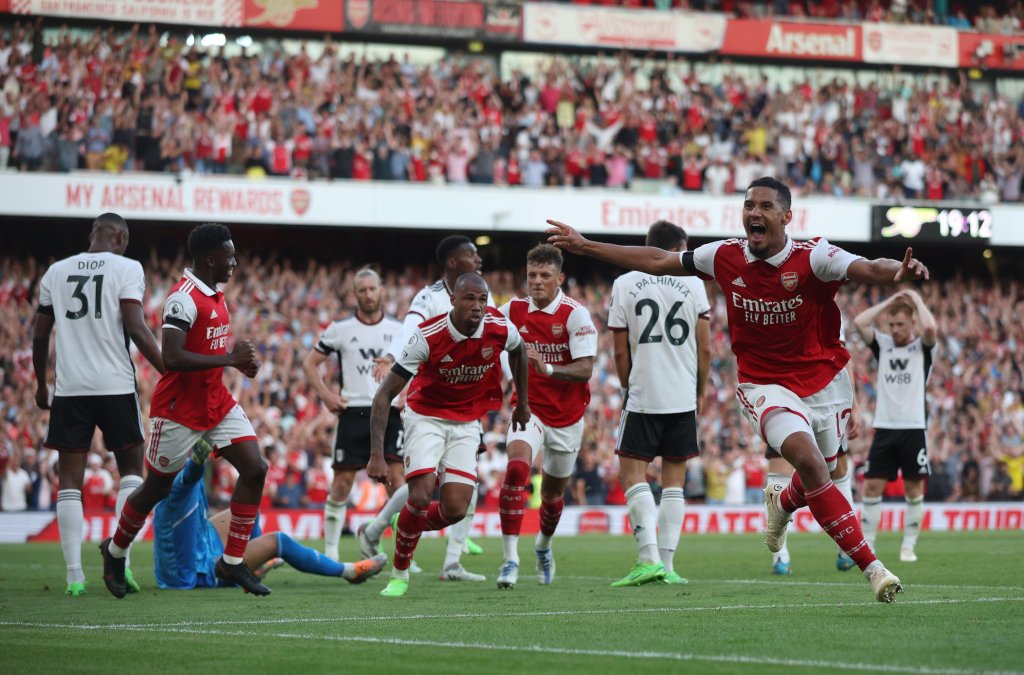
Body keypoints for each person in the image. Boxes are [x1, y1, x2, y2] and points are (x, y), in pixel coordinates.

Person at [547, 176, 929, 603]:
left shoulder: (814, 257)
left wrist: (896, 271)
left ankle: (783, 504)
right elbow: (657, 258)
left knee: (821, 472)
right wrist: (586, 246)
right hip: (765, 384)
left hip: (825, 384)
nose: (754, 213)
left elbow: (868, 267)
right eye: (749, 205)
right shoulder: (724, 256)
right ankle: (874, 569)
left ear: (787, 216)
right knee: (811, 464)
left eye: (765, 206)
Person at [99, 223, 269, 599]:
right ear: (210, 259)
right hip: (178, 410)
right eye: (229, 256)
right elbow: (172, 357)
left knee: (256, 467)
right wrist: (230, 359)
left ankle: (232, 562)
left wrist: (240, 364)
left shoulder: (216, 295)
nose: (235, 262)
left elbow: (209, 351)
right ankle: (115, 550)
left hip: (216, 402)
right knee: (155, 489)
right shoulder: (183, 298)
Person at [369, 273, 530, 597]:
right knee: (420, 495)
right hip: (425, 416)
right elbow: (384, 395)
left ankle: (407, 522)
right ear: (453, 300)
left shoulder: (499, 327)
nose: (477, 306)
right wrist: (376, 455)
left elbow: (520, 350)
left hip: (466, 421)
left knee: (455, 509)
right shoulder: (428, 335)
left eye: (482, 299)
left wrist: (522, 402)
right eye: (469, 298)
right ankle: (399, 575)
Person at [31, 213, 164, 597]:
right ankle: (122, 565)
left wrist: (41, 384)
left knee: (69, 481)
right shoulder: (128, 267)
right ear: (120, 237)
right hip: (115, 384)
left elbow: (40, 334)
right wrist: (168, 372)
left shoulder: (56, 271)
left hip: (70, 387)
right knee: (131, 473)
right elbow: (136, 326)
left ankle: (74, 576)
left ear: (93, 234)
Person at [361, 235, 491, 581]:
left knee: (464, 482)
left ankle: (451, 562)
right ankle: (381, 526)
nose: (478, 260)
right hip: (427, 402)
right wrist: (392, 357)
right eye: (471, 254)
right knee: (424, 483)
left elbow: (497, 333)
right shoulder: (429, 297)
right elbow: (411, 331)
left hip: (465, 400)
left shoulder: (482, 293)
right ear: (452, 262)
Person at [606, 221, 710, 587]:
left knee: (630, 475)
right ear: (678, 248)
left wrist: (626, 385)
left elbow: (620, 350)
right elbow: (706, 348)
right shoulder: (694, 283)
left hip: (644, 393)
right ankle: (668, 565)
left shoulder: (624, 284)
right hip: (682, 394)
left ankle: (647, 558)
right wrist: (699, 390)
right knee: (674, 483)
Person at [495, 243, 597, 589]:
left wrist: (548, 368)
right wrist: (508, 381)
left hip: (567, 417)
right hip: (529, 408)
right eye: (532, 275)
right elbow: (489, 339)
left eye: (544, 275)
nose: (537, 281)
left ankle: (543, 546)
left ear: (560, 278)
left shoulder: (575, 314)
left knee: (552, 498)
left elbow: (585, 369)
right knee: (516, 469)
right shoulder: (512, 310)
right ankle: (510, 559)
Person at [152, 441, 386, 590]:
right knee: (278, 541)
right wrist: (199, 457)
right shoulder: (181, 476)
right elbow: (189, 478)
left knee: (247, 512)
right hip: (195, 568)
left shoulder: (166, 471)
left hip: (198, 541)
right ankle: (349, 571)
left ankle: (252, 568)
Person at [302, 267, 404, 561]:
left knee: (397, 485)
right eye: (362, 290)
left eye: (372, 289)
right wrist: (326, 395)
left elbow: (418, 363)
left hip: (389, 412)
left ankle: (401, 553)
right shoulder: (340, 329)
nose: (368, 294)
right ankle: (331, 555)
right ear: (355, 294)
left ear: (382, 290)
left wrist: (408, 393)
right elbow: (310, 363)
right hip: (353, 412)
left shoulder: (399, 329)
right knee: (342, 484)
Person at [766, 320, 862, 575]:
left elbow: (841, 358)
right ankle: (784, 553)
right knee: (832, 470)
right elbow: (842, 358)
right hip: (804, 396)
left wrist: (853, 404)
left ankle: (782, 557)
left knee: (831, 468)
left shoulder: (781, 306)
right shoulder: (824, 309)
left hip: (801, 396)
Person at [853, 289, 937, 563]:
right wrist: (890, 301)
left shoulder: (924, 347)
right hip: (885, 427)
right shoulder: (883, 345)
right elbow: (860, 322)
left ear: (912, 323)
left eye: (901, 324)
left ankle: (908, 546)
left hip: (913, 427)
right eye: (891, 324)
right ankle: (868, 547)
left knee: (913, 490)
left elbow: (930, 327)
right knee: (871, 487)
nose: (895, 330)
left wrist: (916, 300)